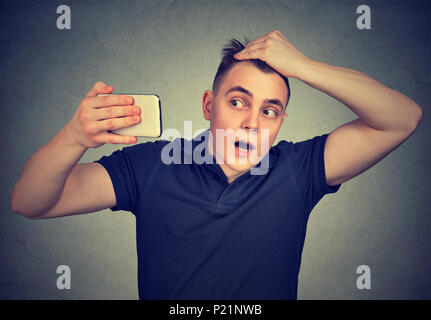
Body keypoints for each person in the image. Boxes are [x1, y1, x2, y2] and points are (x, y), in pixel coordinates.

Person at [11, 30, 423, 299]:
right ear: (210, 105)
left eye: (269, 110)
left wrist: (303, 67)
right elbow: (30, 201)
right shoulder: (152, 165)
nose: (250, 122)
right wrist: (73, 137)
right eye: (238, 101)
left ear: (280, 122)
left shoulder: (300, 169)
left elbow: (403, 117)